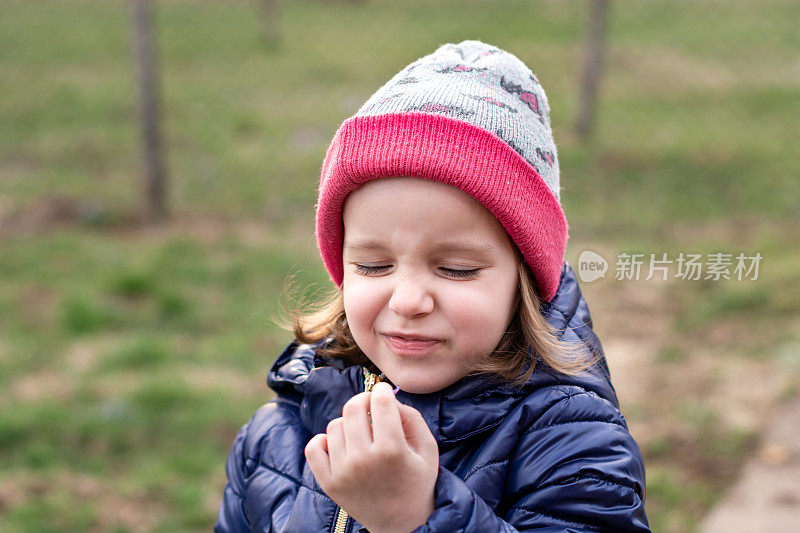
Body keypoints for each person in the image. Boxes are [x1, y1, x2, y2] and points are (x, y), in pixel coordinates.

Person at [215, 40, 649, 532]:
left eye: (457, 269)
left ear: (522, 278)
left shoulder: (573, 445)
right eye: (374, 266)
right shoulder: (278, 434)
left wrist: (411, 518)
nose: (409, 301)